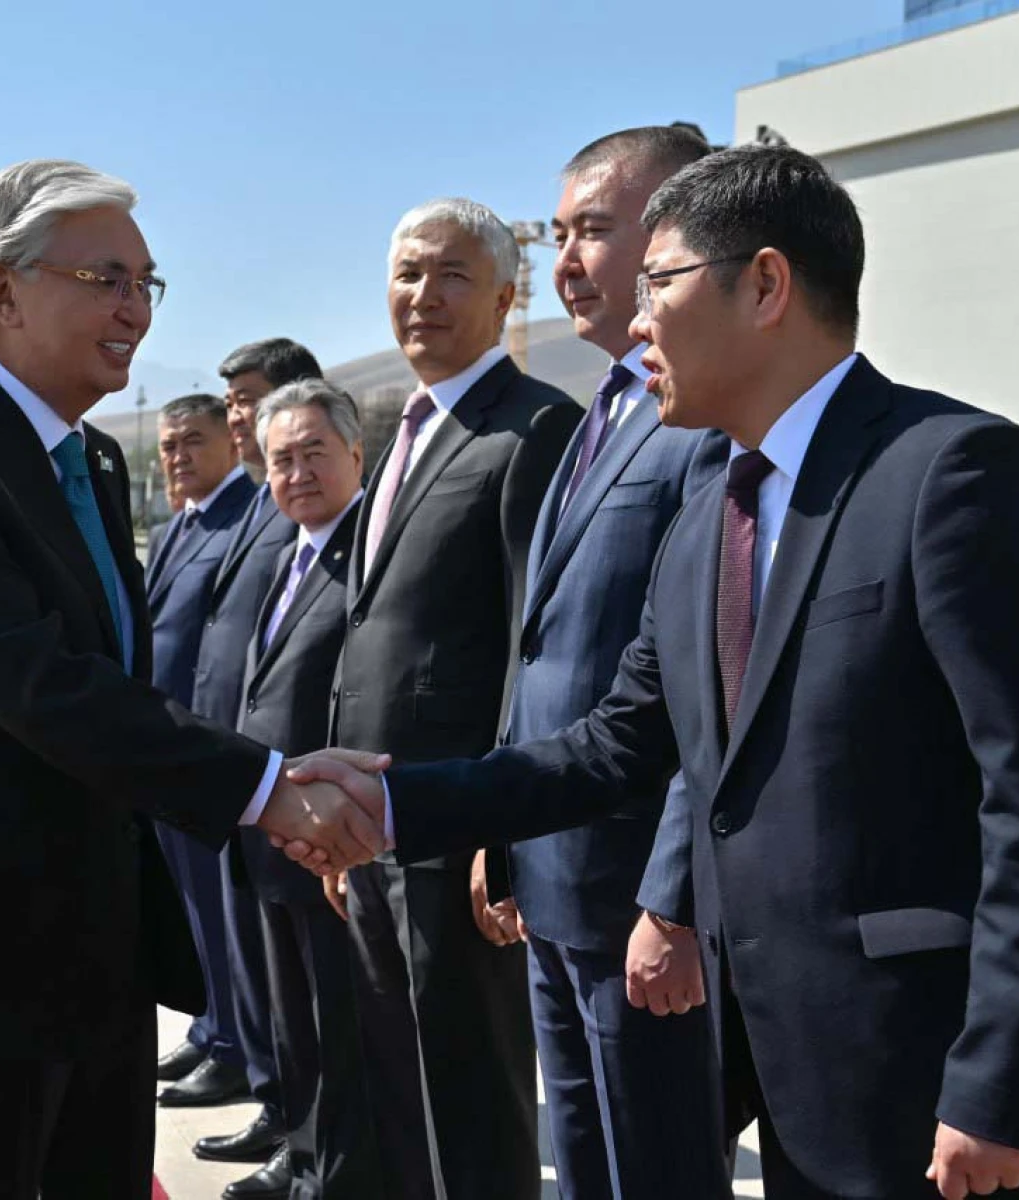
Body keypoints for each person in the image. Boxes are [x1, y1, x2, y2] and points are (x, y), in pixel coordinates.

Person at [296, 144, 1019, 1200]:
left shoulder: (953, 473)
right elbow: (614, 745)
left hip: (936, 1082)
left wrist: (1007, 1083)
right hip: (783, 1068)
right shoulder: (708, 517)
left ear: (766, 286)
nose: (638, 324)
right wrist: (395, 802)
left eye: (660, 285)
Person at [0, 158, 381, 1199]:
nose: (135, 310)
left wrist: (261, 777)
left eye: (147, 283)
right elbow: (37, 680)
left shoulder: (93, 462)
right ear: (2, 289)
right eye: (105, 279)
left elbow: (117, 675)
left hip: (95, 941)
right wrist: (264, 787)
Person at [497, 123, 730, 1200]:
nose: (565, 262)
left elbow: (706, 682)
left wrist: (672, 898)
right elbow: (544, 640)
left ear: (675, 233)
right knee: (582, 1165)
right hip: (553, 872)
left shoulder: (705, 422)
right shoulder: (607, 404)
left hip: (636, 898)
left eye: (592, 229)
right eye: (557, 234)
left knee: (657, 1170)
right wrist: (504, 827)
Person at [330, 196, 580, 1199]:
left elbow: (533, 646)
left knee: (469, 1101)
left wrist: (500, 833)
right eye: (407, 273)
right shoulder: (403, 430)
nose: (423, 295)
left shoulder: (534, 429)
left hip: (456, 834)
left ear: (506, 298)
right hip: (374, 828)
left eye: (452, 276)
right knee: (396, 1088)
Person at [233, 379, 379, 1200]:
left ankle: (339, 1175)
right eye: (281, 460)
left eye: (314, 453)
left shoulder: (372, 554)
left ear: (356, 453)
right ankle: (303, 1154)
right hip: (272, 831)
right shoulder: (287, 553)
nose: (296, 474)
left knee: (339, 1021)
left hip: (333, 833)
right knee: (293, 1015)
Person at [186, 339, 324, 1193]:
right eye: (232, 401)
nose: (236, 414)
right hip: (242, 772)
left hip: (295, 784)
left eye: (248, 397)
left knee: (306, 991)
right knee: (263, 967)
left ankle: (307, 1142)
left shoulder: (304, 507)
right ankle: (284, 1115)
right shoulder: (257, 502)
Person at [146, 393, 262, 1109]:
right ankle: (209, 1023)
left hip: (211, 742)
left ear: (230, 442)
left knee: (222, 906)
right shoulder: (175, 528)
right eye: (168, 445)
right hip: (166, 748)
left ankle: (236, 1046)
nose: (178, 457)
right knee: (189, 898)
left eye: (193, 440)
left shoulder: (248, 516)